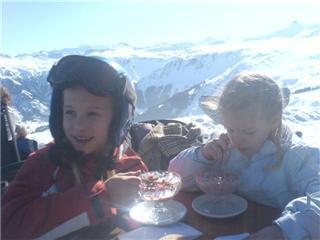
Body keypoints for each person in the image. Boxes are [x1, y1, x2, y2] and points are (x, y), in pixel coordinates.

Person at [1, 55, 148, 239]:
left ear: (118, 120)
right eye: (69, 112)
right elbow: (7, 229)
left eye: (92, 114)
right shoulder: (43, 165)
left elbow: (148, 216)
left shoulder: (128, 164)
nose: (79, 126)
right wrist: (103, 197)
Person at [169, 72, 320, 240]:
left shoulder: (298, 157)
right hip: (222, 228)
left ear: (274, 122)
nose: (237, 139)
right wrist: (202, 155)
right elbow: (175, 177)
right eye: (230, 129)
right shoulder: (224, 147)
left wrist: (284, 230)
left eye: (249, 132)